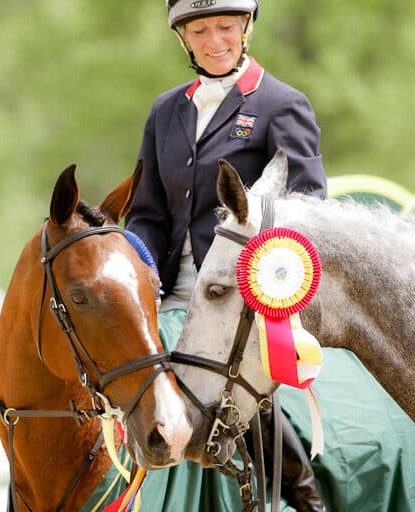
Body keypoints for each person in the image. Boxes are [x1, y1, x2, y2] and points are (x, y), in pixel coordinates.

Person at [125, 1, 326, 511]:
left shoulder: (282, 104)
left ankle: (303, 496)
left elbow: (307, 207)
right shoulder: (165, 111)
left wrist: (265, 274)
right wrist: (137, 267)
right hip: (171, 290)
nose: (214, 41)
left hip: (246, 292)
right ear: (184, 39)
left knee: (234, 375)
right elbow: (147, 212)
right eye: (200, 30)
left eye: (224, 27)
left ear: (245, 29)